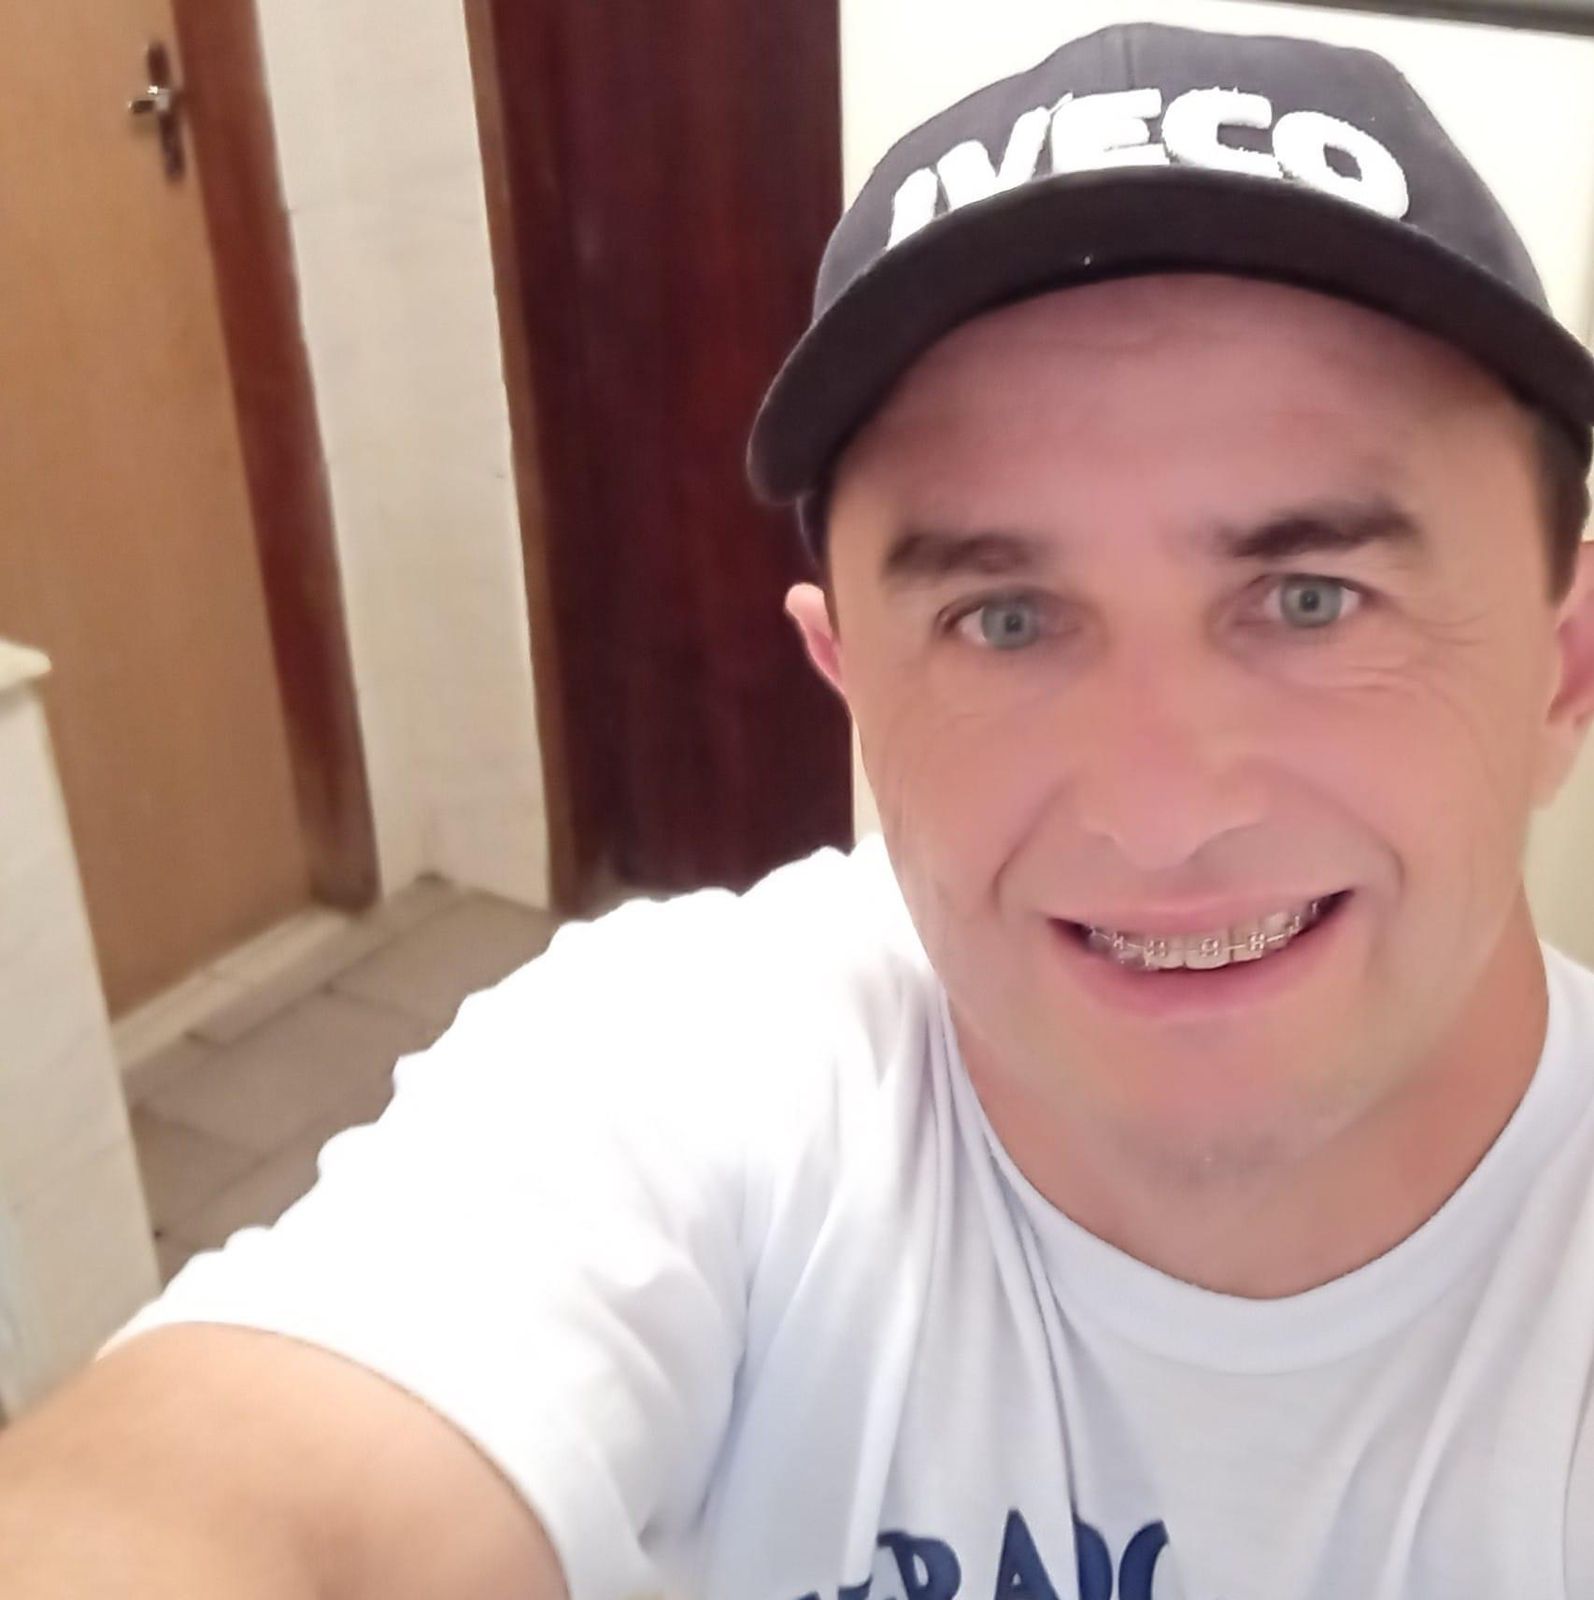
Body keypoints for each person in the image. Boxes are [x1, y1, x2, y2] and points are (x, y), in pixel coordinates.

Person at [5, 19, 1594, 1599]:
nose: (1157, 812)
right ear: (849, 685)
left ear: (1564, 666)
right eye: (1004, 621)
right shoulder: (698, 1077)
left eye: (1311, 600)